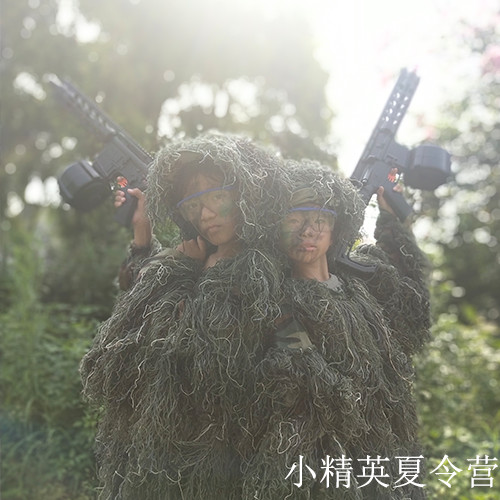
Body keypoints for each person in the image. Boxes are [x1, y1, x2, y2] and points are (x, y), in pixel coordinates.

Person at [80, 133, 289, 499]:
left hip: (224, 459)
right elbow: (134, 300)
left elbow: (213, 355)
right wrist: (143, 237)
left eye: (217, 198)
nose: (205, 215)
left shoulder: (263, 270)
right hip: (158, 452)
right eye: (193, 205)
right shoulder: (192, 255)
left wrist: (183, 272)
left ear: (244, 197)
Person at [241, 159, 431, 499]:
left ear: (335, 228)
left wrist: (392, 221)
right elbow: (312, 387)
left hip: (391, 459)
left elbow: (413, 309)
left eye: (319, 219)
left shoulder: (361, 286)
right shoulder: (278, 306)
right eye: (293, 220)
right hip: (331, 471)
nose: (307, 231)